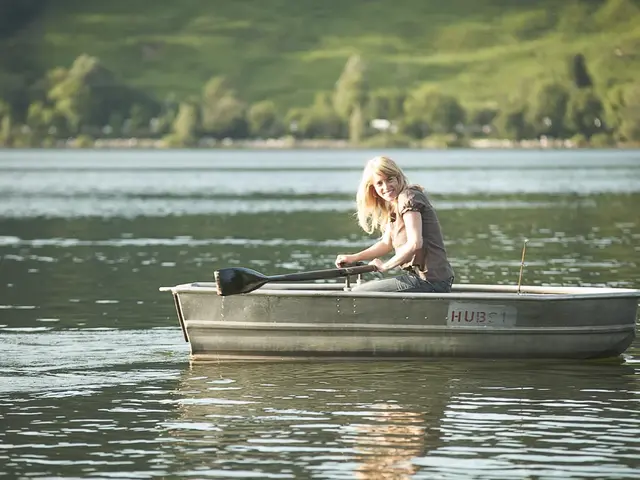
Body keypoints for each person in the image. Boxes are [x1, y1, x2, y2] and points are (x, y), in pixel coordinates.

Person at [335, 155, 454, 293]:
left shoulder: (408, 198)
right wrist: (354, 257)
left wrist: (385, 266)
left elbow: (415, 243)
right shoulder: (395, 204)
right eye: (379, 183)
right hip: (422, 279)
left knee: (357, 293)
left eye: (389, 179)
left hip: (430, 280)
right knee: (359, 290)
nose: (386, 187)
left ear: (398, 177)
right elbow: (386, 244)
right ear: (373, 188)